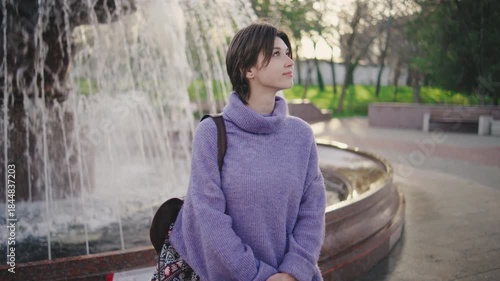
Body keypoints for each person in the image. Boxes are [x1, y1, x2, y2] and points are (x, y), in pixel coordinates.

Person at [170, 21, 326, 281]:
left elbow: (313, 211)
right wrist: (257, 276)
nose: (289, 61)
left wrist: (292, 272)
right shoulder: (212, 132)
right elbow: (208, 217)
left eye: (288, 53)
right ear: (247, 69)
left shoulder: (301, 135)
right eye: (276, 54)